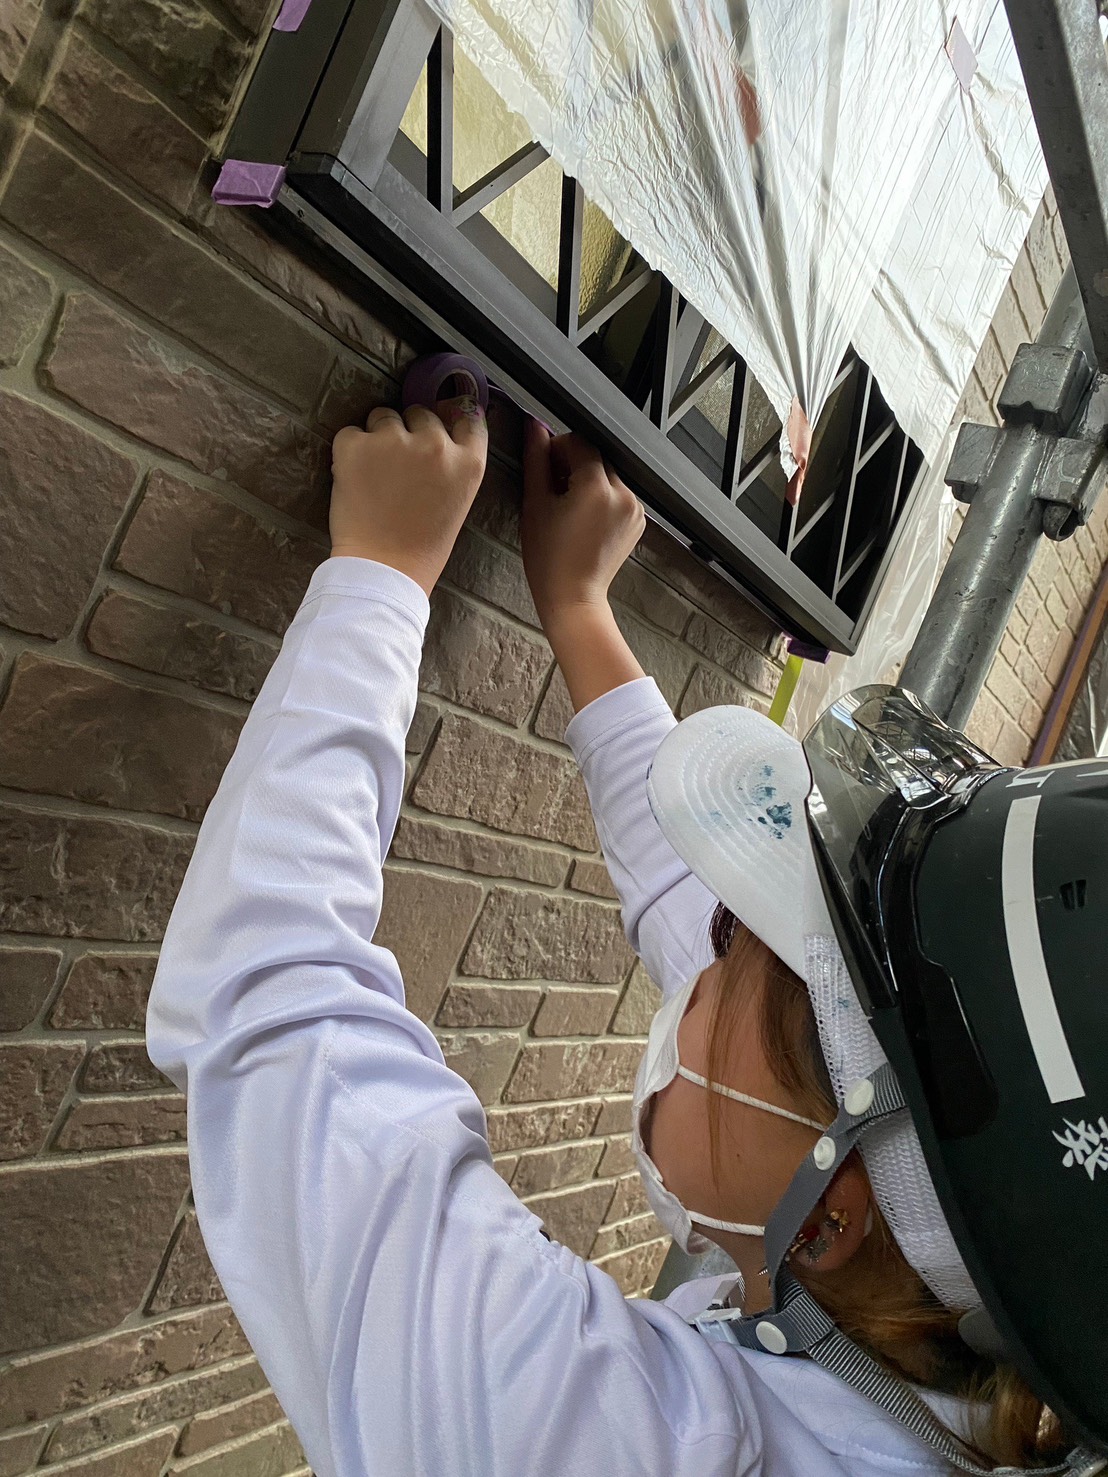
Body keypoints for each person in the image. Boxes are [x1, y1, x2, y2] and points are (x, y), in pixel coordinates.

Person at [145, 392, 1096, 1477]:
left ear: (830, 1219)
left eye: (734, 952)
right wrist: (580, 605)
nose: (705, 950)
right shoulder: (940, 1357)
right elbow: (757, 992)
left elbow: (269, 1006)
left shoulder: (627, 1446)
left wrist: (379, 576)